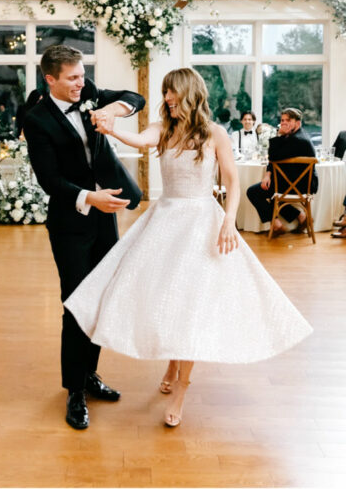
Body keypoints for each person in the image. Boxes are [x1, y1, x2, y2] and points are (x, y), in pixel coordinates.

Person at [63, 68, 312, 427]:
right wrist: (112, 129)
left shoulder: (215, 133)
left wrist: (229, 221)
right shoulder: (164, 128)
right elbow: (141, 140)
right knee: (167, 298)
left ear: (190, 93)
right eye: (165, 93)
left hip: (201, 224)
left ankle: (182, 387)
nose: (167, 99)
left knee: (190, 304)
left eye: (173, 93)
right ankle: (171, 361)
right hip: (165, 222)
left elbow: (232, 181)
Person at [21, 44, 145, 430]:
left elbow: (135, 98)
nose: (81, 83)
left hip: (105, 218)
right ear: (51, 79)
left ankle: (89, 375)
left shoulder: (87, 92)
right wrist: (90, 198)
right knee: (77, 304)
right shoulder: (37, 119)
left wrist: (111, 111)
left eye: (82, 75)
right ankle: (74, 390)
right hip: (70, 222)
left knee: (102, 299)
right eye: (72, 77)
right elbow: (49, 181)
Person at [245, 108, 319, 236]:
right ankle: (301, 217)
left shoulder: (297, 140)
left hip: (299, 185)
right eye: (282, 120)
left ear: (298, 123)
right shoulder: (296, 136)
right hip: (296, 182)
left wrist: (279, 134)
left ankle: (277, 225)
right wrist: (268, 174)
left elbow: (273, 156)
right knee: (272, 191)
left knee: (253, 192)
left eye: (288, 120)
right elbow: (275, 160)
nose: (283, 123)